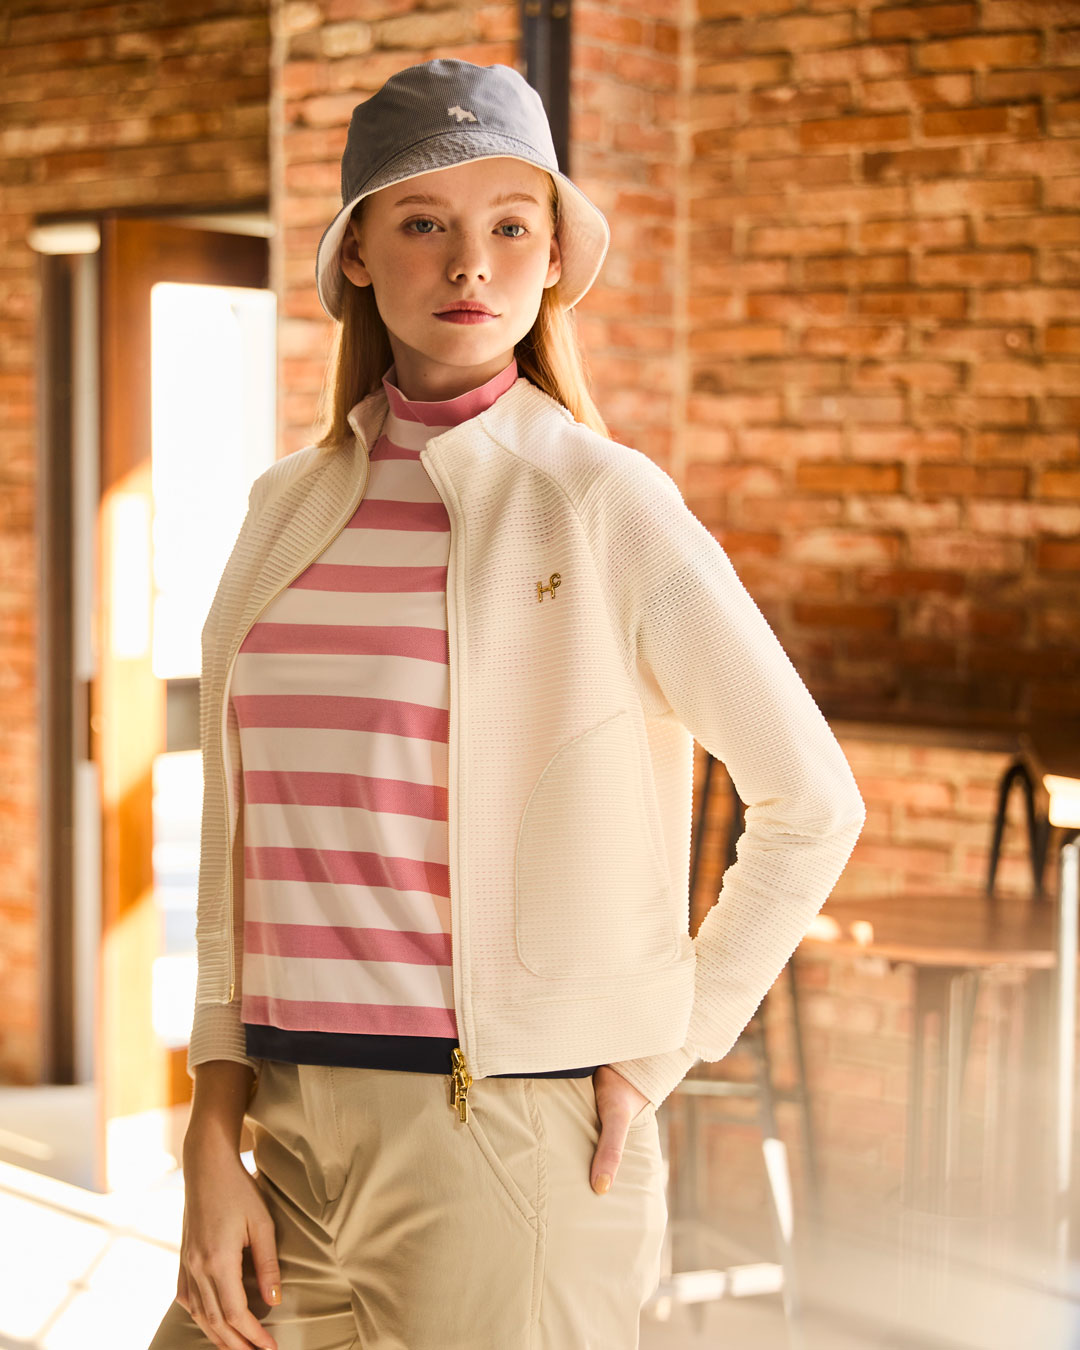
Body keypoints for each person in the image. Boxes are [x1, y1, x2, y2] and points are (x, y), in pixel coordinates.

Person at [148, 57, 865, 1350]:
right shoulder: (284, 508)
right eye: (424, 221)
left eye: (512, 226)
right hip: (286, 1133)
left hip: (510, 1140)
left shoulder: (601, 500)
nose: (470, 263)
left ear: (553, 258)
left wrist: (660, 1047)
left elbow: (813, 803)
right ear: (356, 250)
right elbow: (241, 840)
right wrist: (213, 1119)